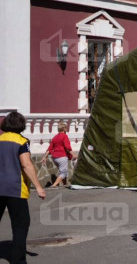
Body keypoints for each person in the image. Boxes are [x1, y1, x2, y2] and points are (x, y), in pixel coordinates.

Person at [0, 111, 46, 264]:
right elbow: (26, 164)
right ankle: (18, 260)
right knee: (20, 224)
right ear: (21, 125)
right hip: (15, 188)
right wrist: (38, 187)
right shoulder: (22, 142)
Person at [40, 123, 76, 188]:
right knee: (63, 172)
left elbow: (49, 149)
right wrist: (73, 155)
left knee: (63, 170)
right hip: (62, 156)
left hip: (55, 158)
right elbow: (67, 147)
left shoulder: (55, 137)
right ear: (64, 129)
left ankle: (64, 184)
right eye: (66, 128)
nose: (66, 129)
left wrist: (44, 157)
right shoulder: (64, 136)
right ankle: (54, 185)